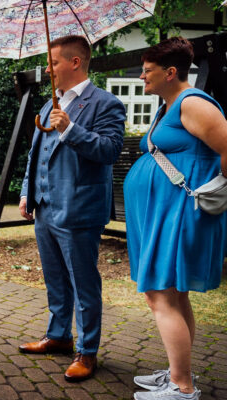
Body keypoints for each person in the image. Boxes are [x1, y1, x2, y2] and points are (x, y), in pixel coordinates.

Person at [17, 35, 125, 382]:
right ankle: (59, 336)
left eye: (52, 63)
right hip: (45, 207)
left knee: (83, 283)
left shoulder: (105, 104)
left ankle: (87, 351)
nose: (47, 70)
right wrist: (26, 193)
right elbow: (36, 154)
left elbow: (109, 151)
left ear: (75, 62)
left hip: (79, 210)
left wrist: (72, 129)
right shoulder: (51, 104)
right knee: (55, 280)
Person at [124, 37, 227, 400]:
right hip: (164, 214)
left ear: (171, 72)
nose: (141, 78)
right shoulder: (168, 106)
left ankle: (182, 388)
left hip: (181, 213)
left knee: (160, 296)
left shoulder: (192, 102)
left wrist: (217, 186)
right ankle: (177, 373)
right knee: (174, 294)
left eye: (147, 71)